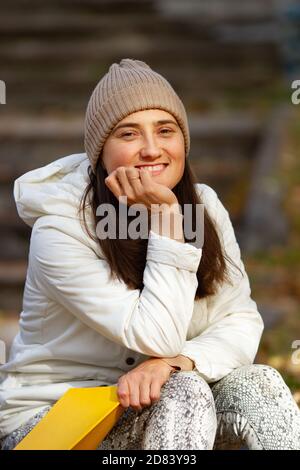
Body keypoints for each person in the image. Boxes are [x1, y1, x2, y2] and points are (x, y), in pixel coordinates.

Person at [0, 58, 299, 451]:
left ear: (183, 143)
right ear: (99, 152)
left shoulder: (204, 207)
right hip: (52, 424)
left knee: (258, 383)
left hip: (159, 403)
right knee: (182, 392)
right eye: (128, 134)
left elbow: (240, 320)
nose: (152, 149)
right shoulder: (60, 227)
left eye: (165, 130)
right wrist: (167, 223)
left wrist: (176, 363)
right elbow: (156, 336)